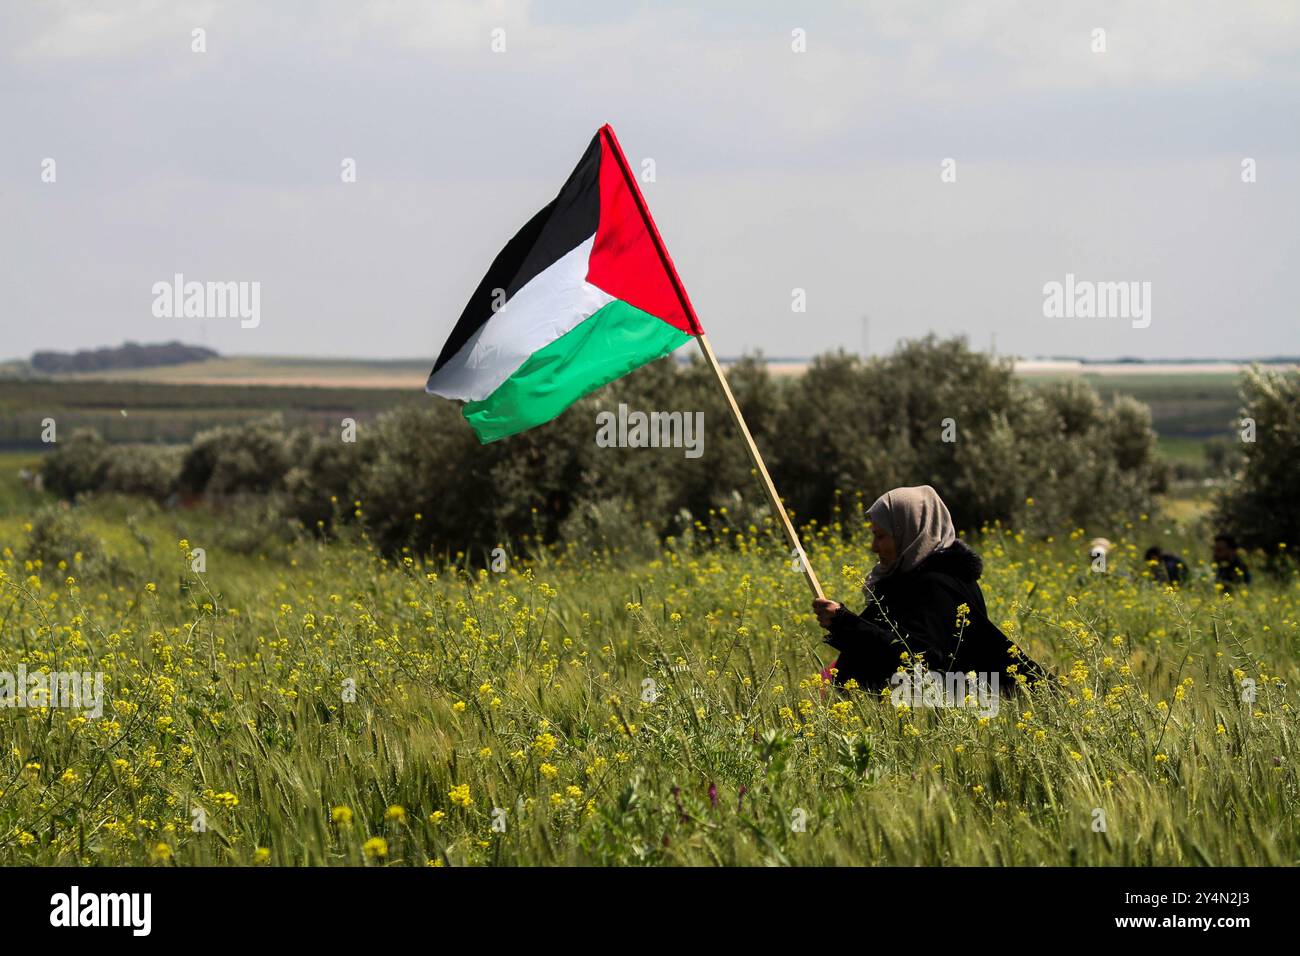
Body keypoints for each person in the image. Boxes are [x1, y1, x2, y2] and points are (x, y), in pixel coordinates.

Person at [811, 485, 1050, 695]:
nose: (874, 547)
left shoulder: (935, 586)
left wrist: (845, 623)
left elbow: (917, 658)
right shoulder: (916, 579)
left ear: (908, 530)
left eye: (880, 536)